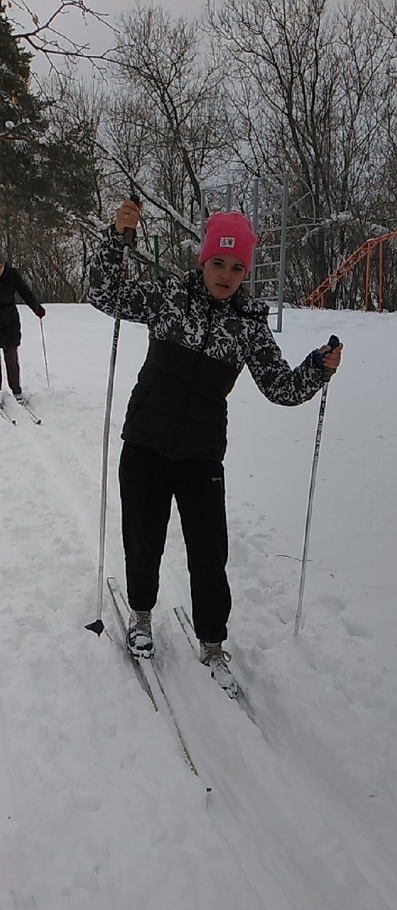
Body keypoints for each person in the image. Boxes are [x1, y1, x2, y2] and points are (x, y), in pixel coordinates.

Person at [88, 199, 342, 697]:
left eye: (237, 267)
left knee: (209, 554)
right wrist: (116, 239)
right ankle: (141, 616)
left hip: (202, 454)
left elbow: (281, 388)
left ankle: (212, 641)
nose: (226, 275)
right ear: (203, 259)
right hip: (145, 443)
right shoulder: (167, 298)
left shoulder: (247, 324)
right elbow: (104, 291)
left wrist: (318, 367)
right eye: (218, 262)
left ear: (245, 271)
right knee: (144, 539)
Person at [0, 251, 46, 402]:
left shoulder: (12, 275)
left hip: (10, 322)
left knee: (12, 359)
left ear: (4, 265)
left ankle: (16, 391)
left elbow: (25, 292)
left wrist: (36, 308)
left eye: (0, 266)